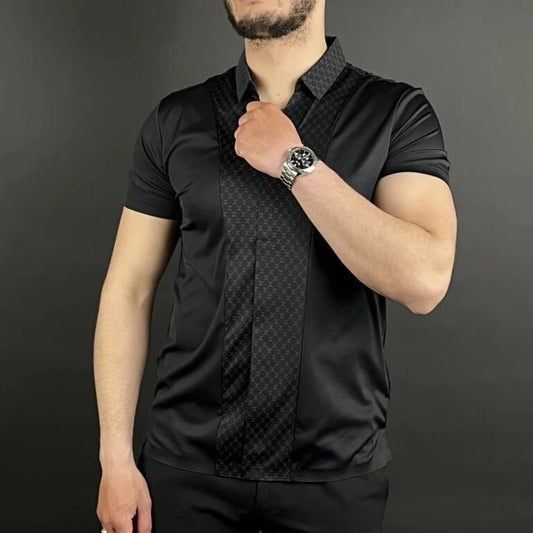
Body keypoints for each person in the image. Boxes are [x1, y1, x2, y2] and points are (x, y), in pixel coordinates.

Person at [94, 1, 457, 532]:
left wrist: (295, 164)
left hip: (334, 473)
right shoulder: (177, 119)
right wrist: (115, 459)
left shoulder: (395, 113)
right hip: (185, 469)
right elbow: (128, 290)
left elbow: (425, 282)